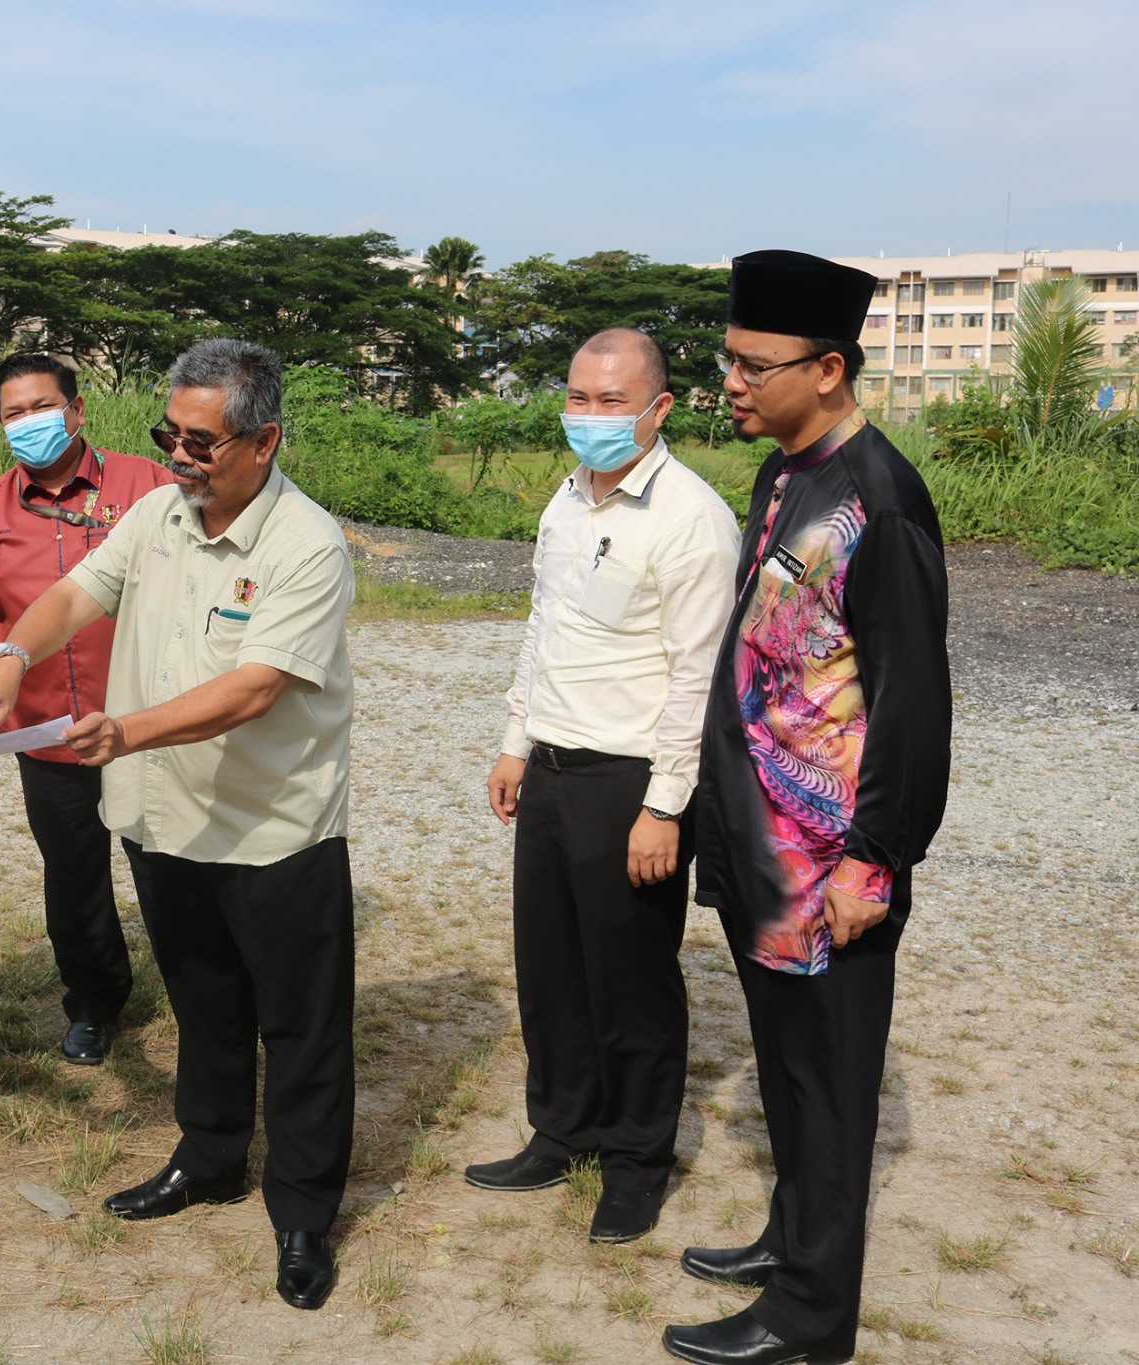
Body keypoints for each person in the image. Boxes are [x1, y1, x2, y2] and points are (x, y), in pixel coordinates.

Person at [0, 339, 355, 1311]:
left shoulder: (305, 543)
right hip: (164, 821)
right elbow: (75, 594)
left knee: (298, 1027)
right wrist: (8, 656)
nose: (179, 456)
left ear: (263, 442)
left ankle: (301, 1212)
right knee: (203, 1004)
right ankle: (210, 1158)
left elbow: (253, 687)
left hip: (270, 829)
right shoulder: (156, 515)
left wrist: (124, 729)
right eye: (166, 435)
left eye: (201, 442)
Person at [662, 251, 952, 1365]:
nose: (728, 382)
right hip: (756, 846)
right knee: (783, 1067)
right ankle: (789, 1242)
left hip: (827, 863)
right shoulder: (782, 475)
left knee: (827, 1095)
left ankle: (807, 1320)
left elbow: (910, 700)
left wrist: (872, 859)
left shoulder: (879, 496)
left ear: (827, 369)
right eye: (725, 359)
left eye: (751, 364)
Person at [472, 329, 741, 1244]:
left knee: (629, 980)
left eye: (609, 401)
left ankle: (634, 1160)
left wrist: (665, 804)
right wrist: (516, 740)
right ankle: (563, 1128)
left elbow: (696, 674)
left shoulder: (693, 518)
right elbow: (545, 627)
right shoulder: (566, 499)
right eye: (578, 397)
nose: (588, 416)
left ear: (659, 408)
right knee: (550, 969)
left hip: (629, 781)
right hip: (549, 765)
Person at [0, 353, 175, 1065]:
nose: (28, 422)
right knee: (73, 876)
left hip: (147, 727)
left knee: (169, 864)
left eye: (42, 406)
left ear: (77, 410)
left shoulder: (148, 483)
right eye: (13, 413)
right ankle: (94, 1003)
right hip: (46, 733)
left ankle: (204, 991)